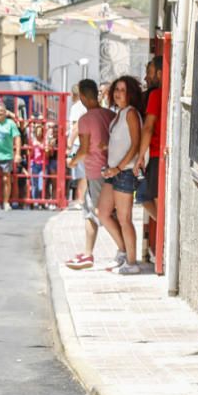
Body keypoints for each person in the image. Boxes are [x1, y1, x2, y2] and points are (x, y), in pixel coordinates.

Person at [64, 79, 116, 270]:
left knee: (99, 213)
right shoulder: (111, 115)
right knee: (97, 212)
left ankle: (122, 250)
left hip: (95, 171)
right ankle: (88, 253)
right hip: (112, 169)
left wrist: (72, 160)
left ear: (84, 97)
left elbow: (84, 150)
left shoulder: (85, 120)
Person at [97, 76, 145, 275]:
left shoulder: (131, 113)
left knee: (125, 218)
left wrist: (118, 168)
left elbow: (135, 145)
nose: (118, 93)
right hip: (113, 172)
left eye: (123, 90)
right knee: (103, 212)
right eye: (116, 89)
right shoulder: (119, 114)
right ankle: (123, 251)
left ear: (131, 93)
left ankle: (132, 263)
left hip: (124, 172)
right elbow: (122, 141)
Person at [134, 56, 164, 221]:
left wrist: (140, 156)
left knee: (150, 198)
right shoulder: (163, 94)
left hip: (154, 155)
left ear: (159, 73)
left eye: (149, 73)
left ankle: (164, 231)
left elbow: (148, 127)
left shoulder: (156, 95)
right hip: (158, 154)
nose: (146, 77)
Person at [67, 83, 87, 205]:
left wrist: (69, 143)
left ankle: (81, 200)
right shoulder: (86, 106)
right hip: (84, 142)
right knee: (83, 173)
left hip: (78, 143)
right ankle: (82, 199)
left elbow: (76, 126)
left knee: (81, 173)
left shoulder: (76, 107)